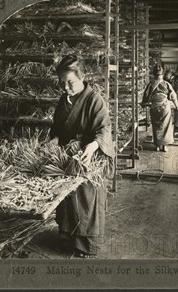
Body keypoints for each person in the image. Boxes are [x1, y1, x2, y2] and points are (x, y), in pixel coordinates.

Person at [49, 55, 115, 258]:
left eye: (70, 82)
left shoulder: (94, 99)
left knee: (87, 199)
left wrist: (93, 145)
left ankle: (87, 245)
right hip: (67, 155)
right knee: (66, 198)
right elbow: (58, 127)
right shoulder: (63, 99)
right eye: (62, 82)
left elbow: (104, 129)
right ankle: (67, 238)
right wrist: (55, 139)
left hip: (89, 154)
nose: (65, 87)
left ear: (82, 77)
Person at [141, 64, 178, 152]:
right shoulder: (166, 84)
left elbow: (145, 96)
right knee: (165, 127)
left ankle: (157, 145)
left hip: (154, 107)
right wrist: (177, 106)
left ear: (154, 75)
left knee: (156, 127)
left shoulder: (150, 84)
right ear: (162, 75)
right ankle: (164, 146)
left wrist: (144, 103)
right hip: (164, 108)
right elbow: (173, 96)